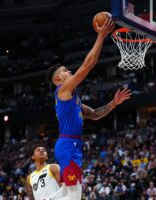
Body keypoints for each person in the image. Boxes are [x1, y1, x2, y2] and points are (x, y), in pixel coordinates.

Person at [46, 18, 132, 199]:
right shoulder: (62, 90)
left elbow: (94, 114)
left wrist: (114, 103)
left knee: (68, 192)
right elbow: (87, 66)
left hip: (70, 145)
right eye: (65, 71)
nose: (68, 71)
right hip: (68, 145)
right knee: (75, 195)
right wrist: (101, 36)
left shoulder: (72, 99)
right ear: (58, 80)